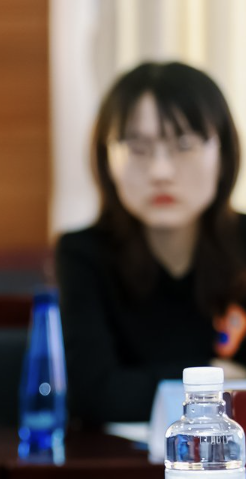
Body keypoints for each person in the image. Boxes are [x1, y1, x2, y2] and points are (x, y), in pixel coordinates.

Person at [57, 61, 245, 424]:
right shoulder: (83, 253)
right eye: (138, 148)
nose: (161, 172)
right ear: (106, 159)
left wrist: (146, 386)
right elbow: (92, 394)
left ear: (223, 154)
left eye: (184, 145)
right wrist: (214, 377)